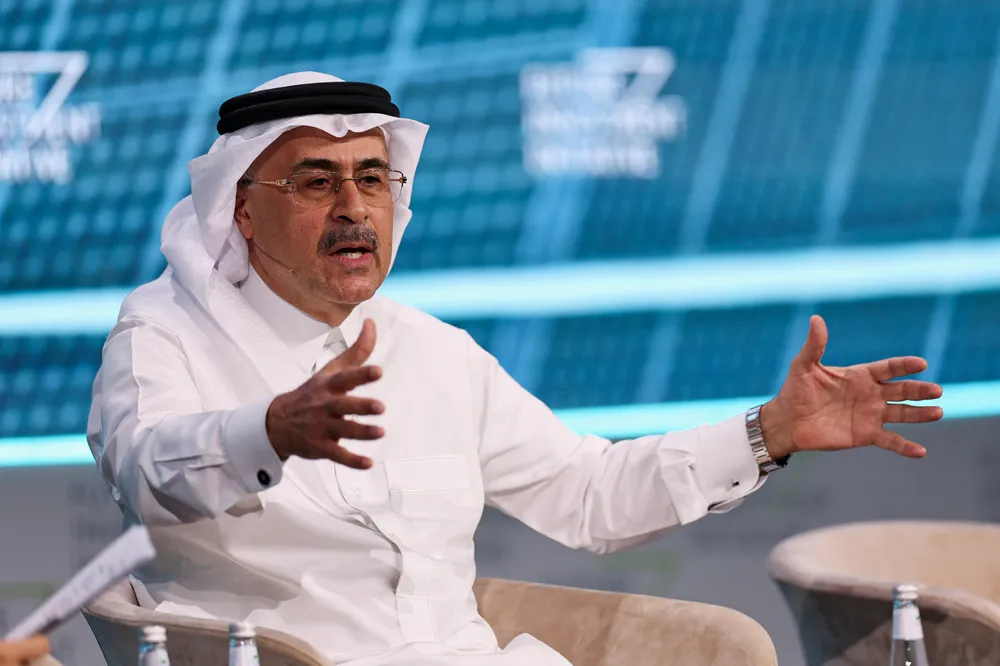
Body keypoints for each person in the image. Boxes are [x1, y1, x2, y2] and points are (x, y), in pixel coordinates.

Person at [87, 72, 943, 666]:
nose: (354, 209)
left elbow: (589, 493)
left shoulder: (431, 350)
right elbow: (148, 472)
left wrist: (770, 432)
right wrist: (268, 432)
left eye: (372, 179)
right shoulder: (163, 332)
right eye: (316, 183)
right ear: (241, 208)